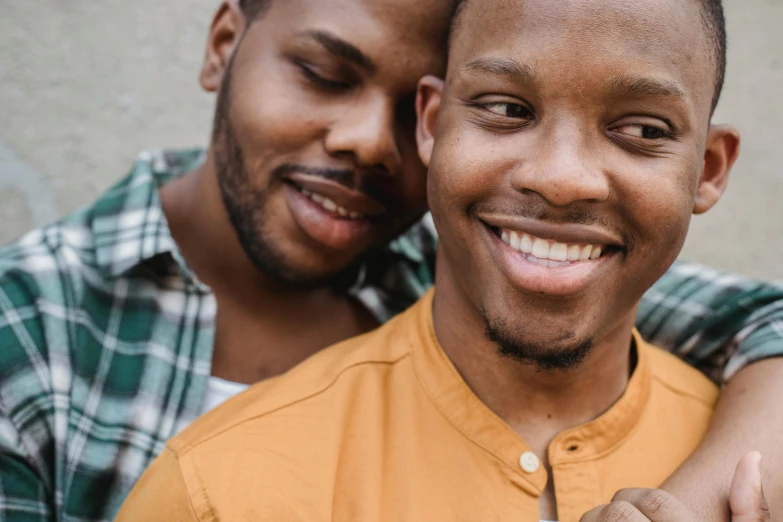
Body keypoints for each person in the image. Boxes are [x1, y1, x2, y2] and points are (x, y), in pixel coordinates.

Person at [0, 0, 781, 520]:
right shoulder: (39, 334)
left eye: (641, 128)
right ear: (223, 44)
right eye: (322, 72)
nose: (370, 145)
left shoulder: (477, 260)